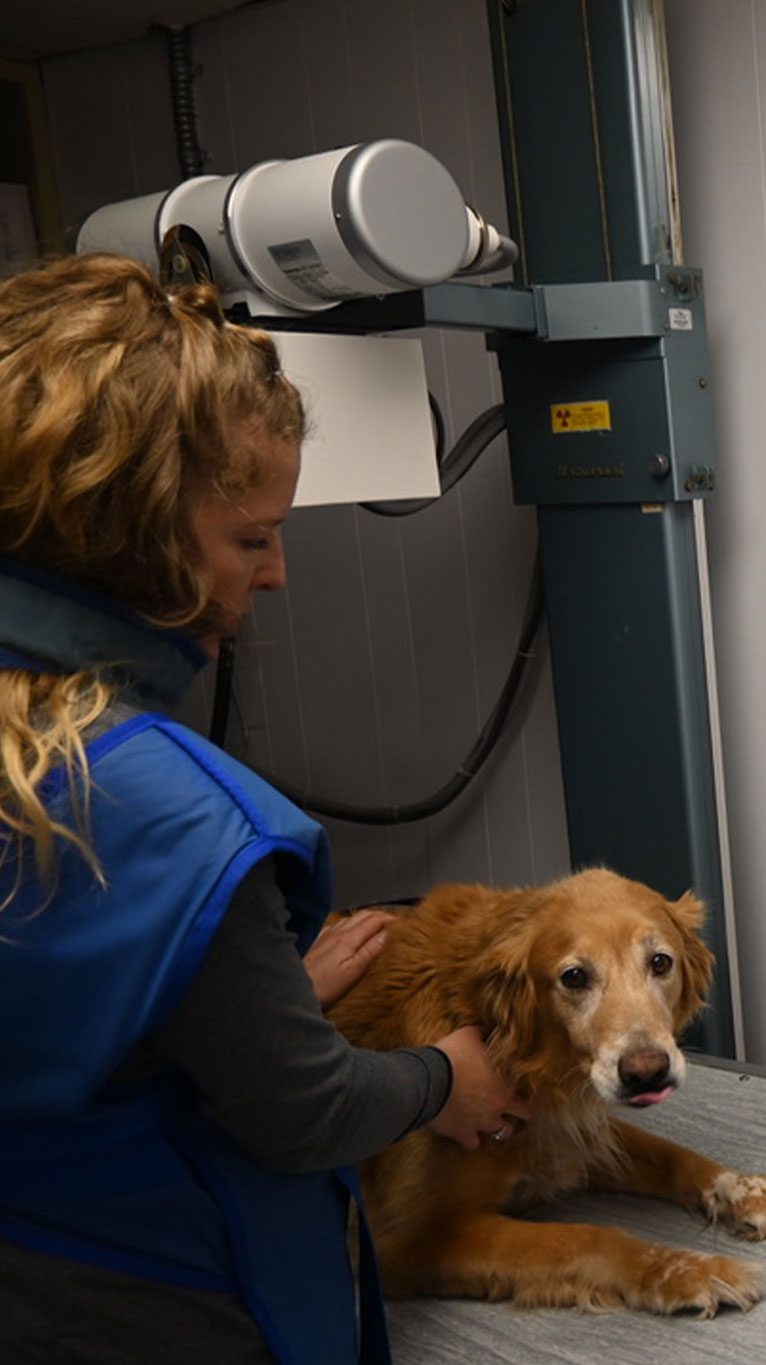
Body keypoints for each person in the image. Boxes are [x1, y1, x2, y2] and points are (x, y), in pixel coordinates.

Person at [0, 254, 529, 1364]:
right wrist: (444, 1077)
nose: (277, 574)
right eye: (251, 537)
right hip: (167, 1292)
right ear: (125, 534)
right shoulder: (173, 816)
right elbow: (303, 1116)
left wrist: (257, 998)